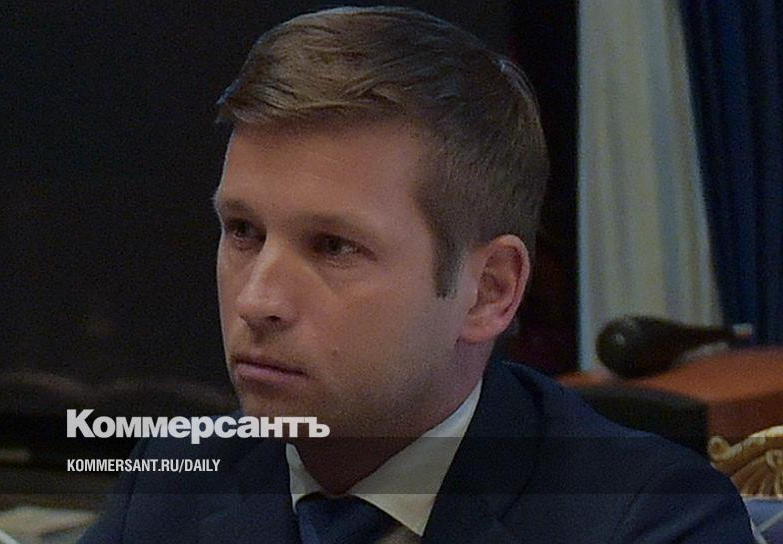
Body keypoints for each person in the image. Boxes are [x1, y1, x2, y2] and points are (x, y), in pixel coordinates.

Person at [80, 6, 753, 543]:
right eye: (243, 232)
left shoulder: (650, 520)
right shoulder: (173, 486)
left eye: (334, 247)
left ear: (488, 292)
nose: (257, 300)